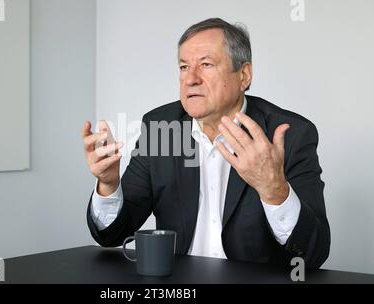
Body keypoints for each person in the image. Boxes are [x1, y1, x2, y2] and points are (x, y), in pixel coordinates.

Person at [81, 18, 330, 268]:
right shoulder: (160, 128)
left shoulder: (290, 135)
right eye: (183, 67)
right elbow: (112, 234)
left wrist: (274, 191)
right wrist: (108, 185)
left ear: (244, 75)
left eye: (206, 65)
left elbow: (312, 254)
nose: (191, 79)